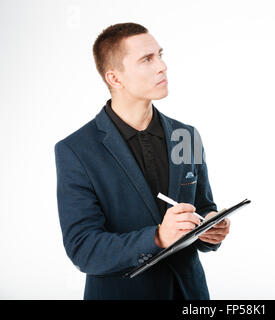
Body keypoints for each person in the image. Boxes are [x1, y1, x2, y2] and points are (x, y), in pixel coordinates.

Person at [54, 22, 230, 300]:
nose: (162, 66)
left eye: (160, 55)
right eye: (147, 59)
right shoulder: (76, 150)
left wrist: (210, 225)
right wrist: (158, 237)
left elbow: (203, 206)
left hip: (190, 294)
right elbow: (83, 250)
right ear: (115, 78)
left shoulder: (185, 136)